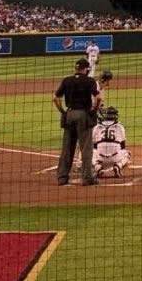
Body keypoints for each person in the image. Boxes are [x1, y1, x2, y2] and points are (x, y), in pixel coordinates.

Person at [52, 58, 99, 186]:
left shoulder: (67, 80)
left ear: (75, 68)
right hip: (83, 115)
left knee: (67, 148)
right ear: (86, 69)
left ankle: (62, 177)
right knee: (86, 149)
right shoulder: (90, 81)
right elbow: (98, 97)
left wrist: (63, 112)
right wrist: (94, 109)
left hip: (70, 114)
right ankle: (87, 178)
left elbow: (56, 98)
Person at [91, 104, 131, 179]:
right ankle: (118, 166)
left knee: (90, 152)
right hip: (116, 157)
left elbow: (94, 146)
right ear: (115, 116)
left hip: (100, 158)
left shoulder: (96, 127)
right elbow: (122, 146)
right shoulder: (120, 127)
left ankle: (98, 167)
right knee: (127, 153)